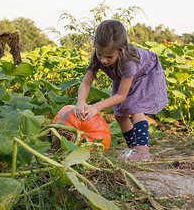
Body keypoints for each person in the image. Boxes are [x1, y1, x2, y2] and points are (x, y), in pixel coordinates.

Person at [72, 20, 168, 161]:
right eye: (100, 55)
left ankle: (143, 152)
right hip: (123, 78)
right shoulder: (98, 55)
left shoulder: (129, 62)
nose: (103, 60)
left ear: (121, 50)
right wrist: (80, 102)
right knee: (120, 114)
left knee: (136, 108)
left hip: (144, 75)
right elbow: (86, 82)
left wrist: (95, 107)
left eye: (109, 57)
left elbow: (121, 95)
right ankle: (133, 149)